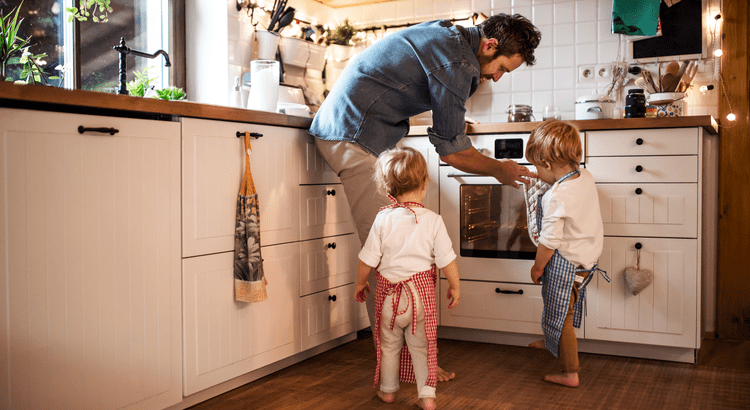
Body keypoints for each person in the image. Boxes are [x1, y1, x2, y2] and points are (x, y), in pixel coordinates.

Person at [309, 13, 541, 382]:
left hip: (363, 133)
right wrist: (499, 168)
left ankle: (407, 358)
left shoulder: (452, 35)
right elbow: (451, 151)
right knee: (392, 255)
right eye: (501, 69)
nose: (497, 77)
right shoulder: (458, 62)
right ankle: (402, 365)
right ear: (490, 45)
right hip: (351, 134)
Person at [354, 147, 460, 410]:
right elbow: (447, 259)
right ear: (424, 185)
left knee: (389, 345)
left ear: (387, 189)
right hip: (420, 298)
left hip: (388, 298)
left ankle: (388, 391)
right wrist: (455, 286)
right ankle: (426, 396)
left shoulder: (383, 218)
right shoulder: (433, 220)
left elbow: (367, 258)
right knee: (422, 348)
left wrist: (360, 283)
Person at [524, 119, 609, 387]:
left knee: (562, 316)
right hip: (586, 261)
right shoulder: (584, 177)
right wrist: (543, 177)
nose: (537, 172)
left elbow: (549, 240)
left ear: (547, 164)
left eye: (537, 167)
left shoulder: (557, 197)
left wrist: (537, 268)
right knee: (559, 310)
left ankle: (569, 371)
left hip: (565, 265)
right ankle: (553, 343)